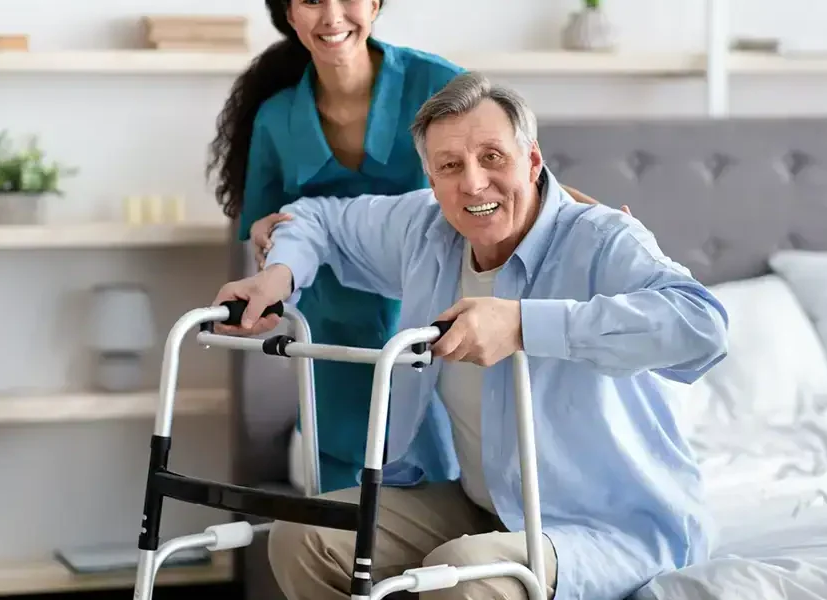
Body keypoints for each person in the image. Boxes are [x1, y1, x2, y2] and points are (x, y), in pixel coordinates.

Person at [212, 72, 729, 600]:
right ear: (432, 182)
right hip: (481, 505)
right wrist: (278, 275)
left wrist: (525, 325)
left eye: (493, 157)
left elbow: (702, 325)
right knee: (306, 536)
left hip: (607, 526)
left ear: (532, 161)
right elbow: (319, 218)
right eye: (450, 167)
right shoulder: (426, 228)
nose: (474, 183)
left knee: (462, 573)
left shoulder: (601, 240)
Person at [206, 0, 608, 493]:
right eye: (311, 0)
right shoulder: (276, 118)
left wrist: (593, 220)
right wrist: (269, 237)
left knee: (446, 473)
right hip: (335, 322)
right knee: (344, 499)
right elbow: (266, 223)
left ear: (375, 4)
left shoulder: (436, 84)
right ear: (290, 16)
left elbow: (519, 177)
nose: (332, 16)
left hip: (438, 310)